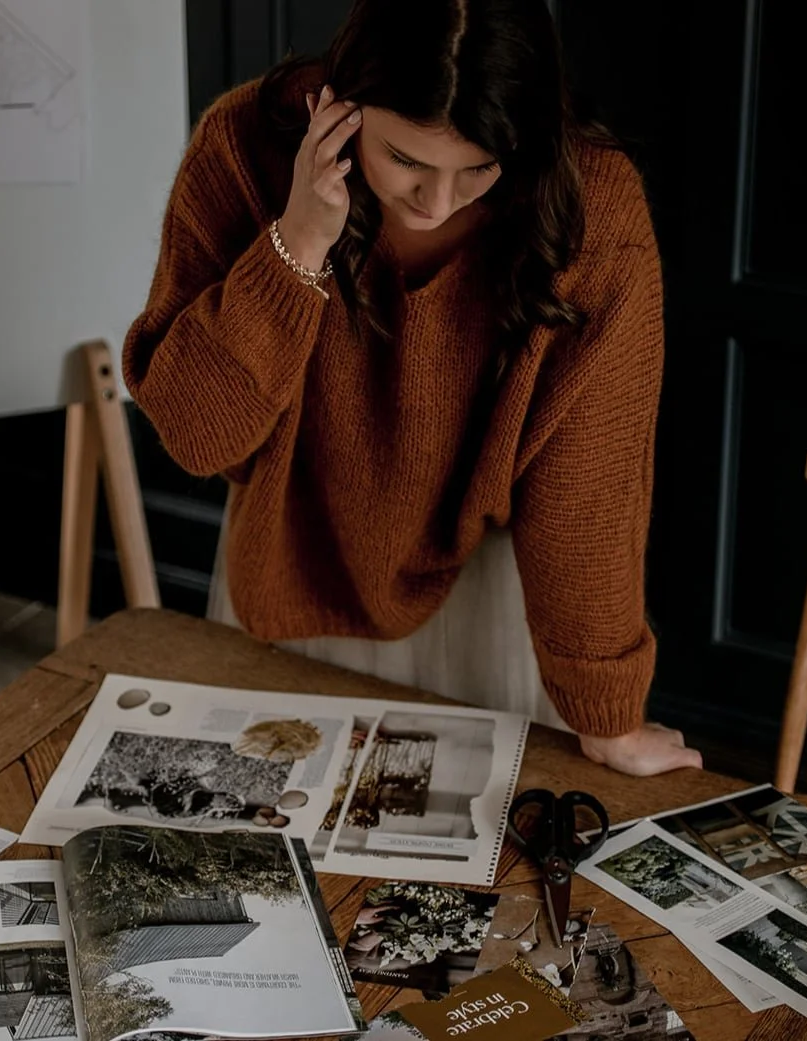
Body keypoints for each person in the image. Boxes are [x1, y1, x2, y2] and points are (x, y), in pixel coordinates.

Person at [122, 0, 703, 777]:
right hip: (282, 562)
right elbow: (197, 437)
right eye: (406, 161)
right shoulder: (244, 147)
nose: (437, 203)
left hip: (487, 591)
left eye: (479, 169)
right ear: (340, 109)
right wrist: (297, 242)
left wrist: (606, 711)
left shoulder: (592, 206)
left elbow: (586, 488)